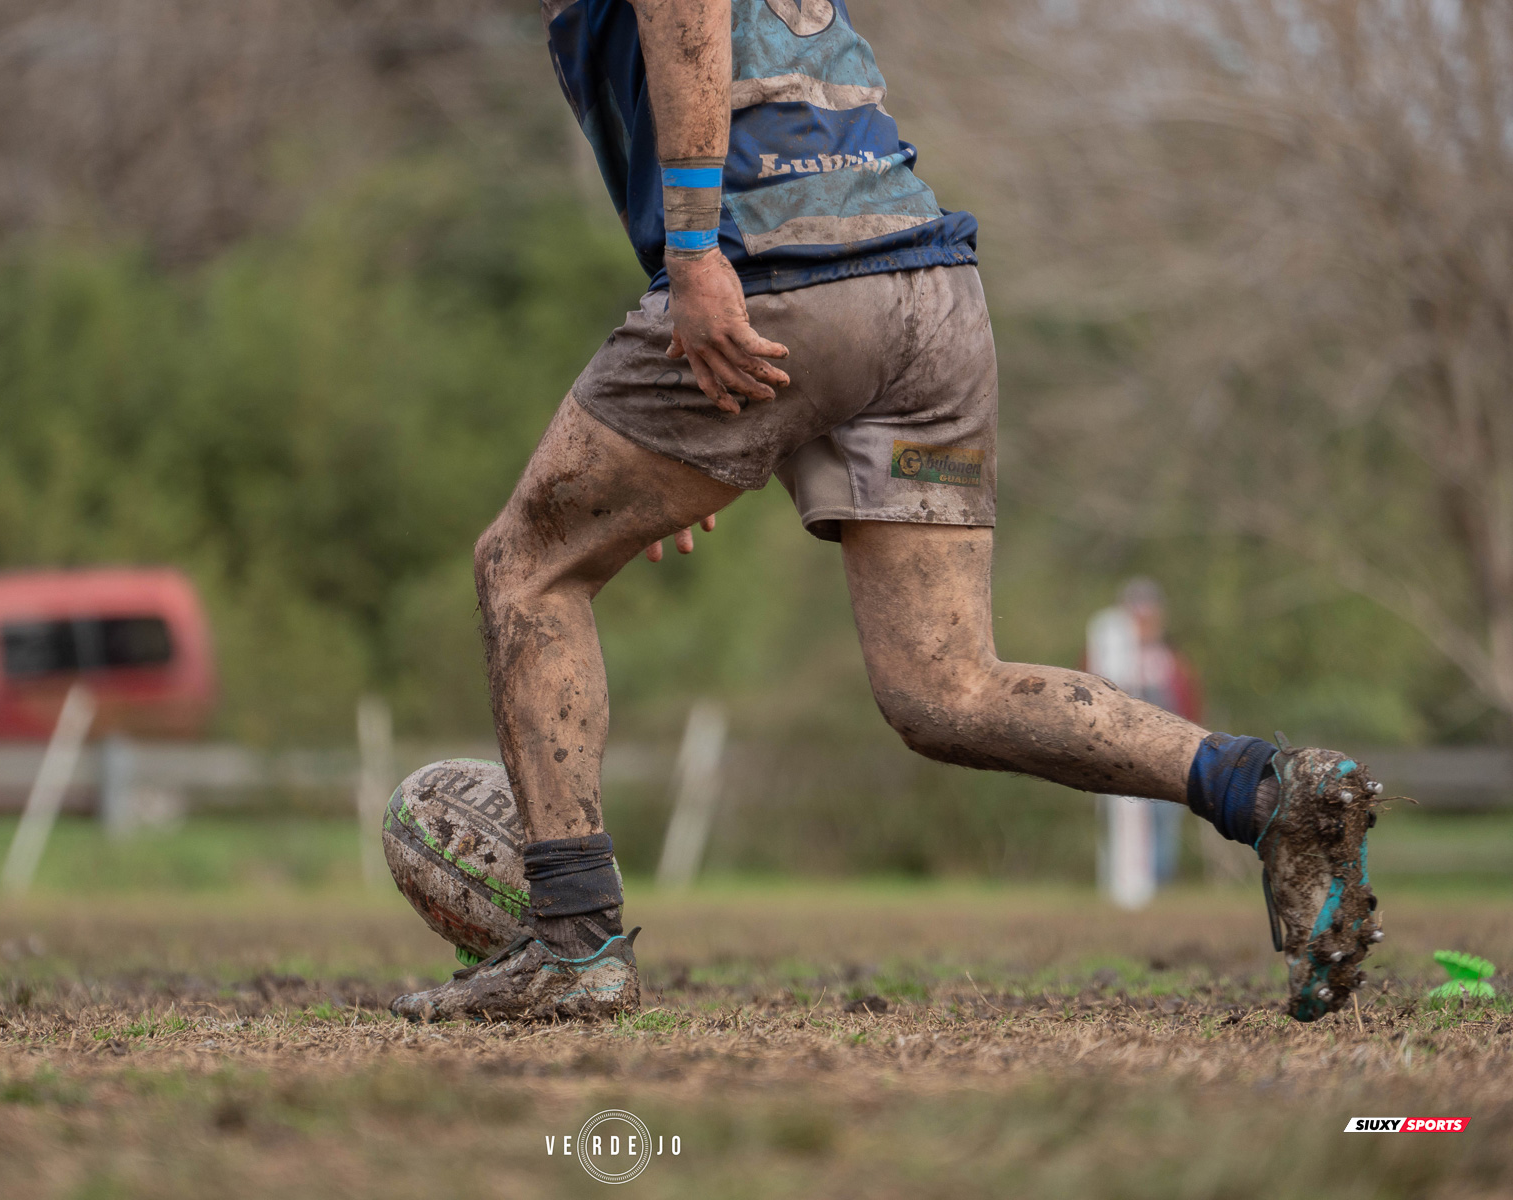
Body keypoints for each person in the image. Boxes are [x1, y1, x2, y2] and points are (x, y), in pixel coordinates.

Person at [390, 0, 1384, 1024]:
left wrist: (693, 260)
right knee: (943, 687)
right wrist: (683, 430)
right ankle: (1267, 794)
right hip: (926, 296)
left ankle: (573, 940)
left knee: (526, 565)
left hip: (786, 281)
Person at [1087, 579, 1203, 891]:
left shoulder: (1171, 659)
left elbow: (1188, 703)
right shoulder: (1109, 656)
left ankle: (1157, 883)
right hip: (1123, 752)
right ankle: (1129, 884)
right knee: (1127, 819)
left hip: (1170, 751)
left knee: (1165, 819)